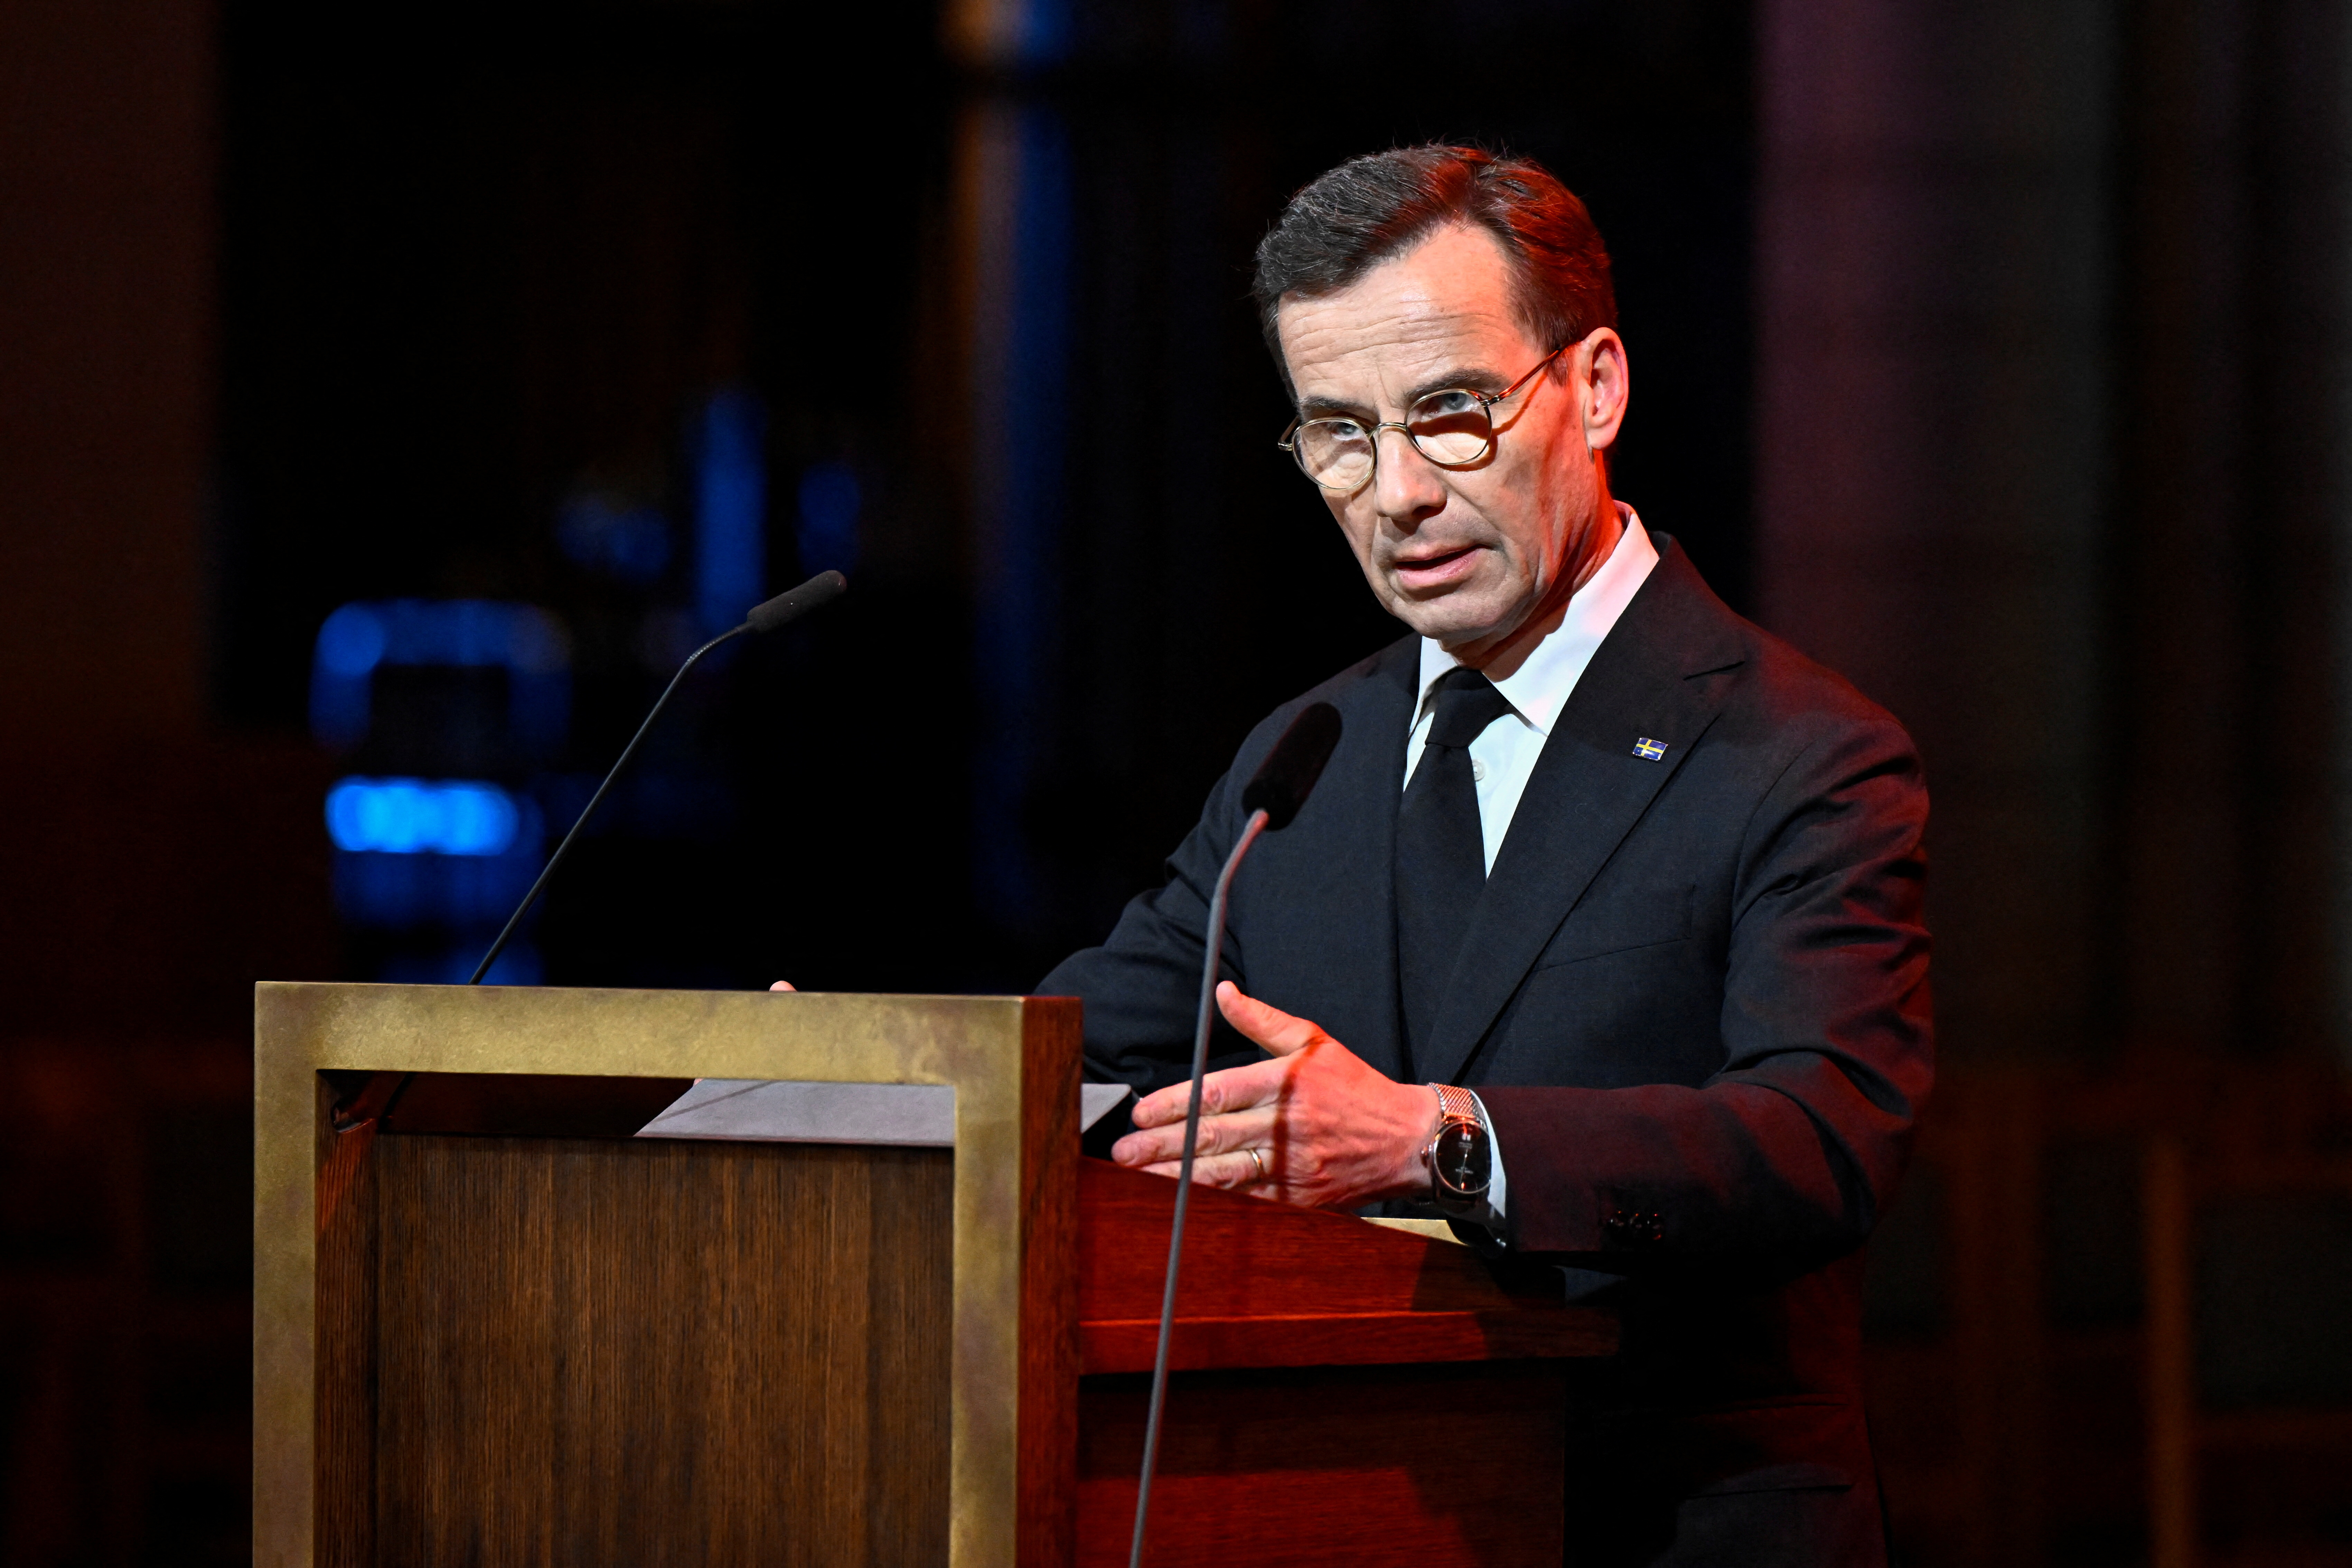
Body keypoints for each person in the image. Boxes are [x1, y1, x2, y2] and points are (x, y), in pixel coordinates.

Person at [1039, 145, 1933, 1566]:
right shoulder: (1306, 754)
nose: (1393, 493)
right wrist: (863, 1084)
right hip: (1350, 1512)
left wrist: (1436, 1140)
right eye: (1337, 430)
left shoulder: (1800, 752)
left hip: (1670, 1522)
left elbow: (1819, 1142)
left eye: (1448, 415)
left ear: (1592, 389)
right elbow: (1068, 1052)